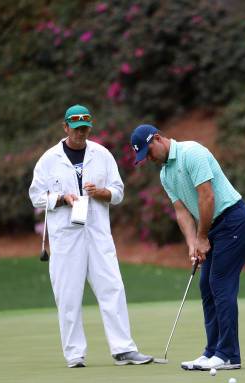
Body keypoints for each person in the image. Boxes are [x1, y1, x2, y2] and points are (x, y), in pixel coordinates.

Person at [29, 105, 153, 368]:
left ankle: (123, 349)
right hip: (65, 237)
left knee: (113, 288)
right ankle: (75, 354)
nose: (81, 133)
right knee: (68, 295)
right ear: (65, 128)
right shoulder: (49, 159)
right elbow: (35, 196)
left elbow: (118, 192)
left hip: (98, 233)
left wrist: (102, 193)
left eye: (85, 128)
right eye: (76, 129)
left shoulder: (102, 154)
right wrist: (62, 199)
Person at [130, 124, 245, 371]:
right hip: (215, 227)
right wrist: (192, 244)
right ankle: (212, 352)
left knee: (220, 284)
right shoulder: (165, 174)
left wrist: (202, 237)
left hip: (235, 220)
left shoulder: (191, 152)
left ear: (157, 139)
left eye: (149, 152)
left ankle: (229, 354)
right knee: (206, 287)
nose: (150, 159)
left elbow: (206, 196)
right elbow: (181, 211)